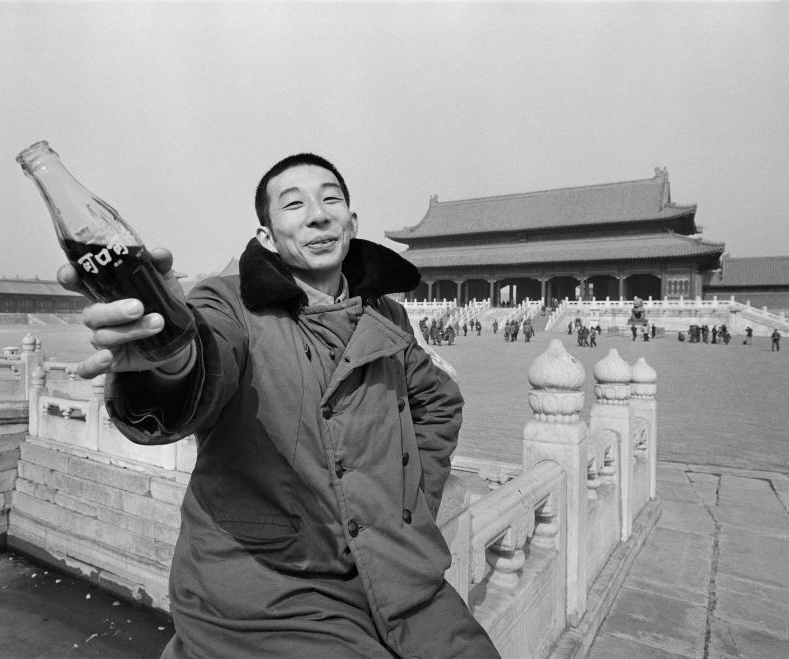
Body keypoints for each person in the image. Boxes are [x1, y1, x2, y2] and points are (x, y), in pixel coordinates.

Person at [59, 153, 499, 658]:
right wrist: (168, 358)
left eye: (331, 199)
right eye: (294, 204)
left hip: (401, 577)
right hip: (269, 586)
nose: (317, 214)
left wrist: (407, 505)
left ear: (352, 224)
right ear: (266, 236)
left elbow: (438, 401)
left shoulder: (387, 313)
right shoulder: (230, 304)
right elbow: (204, 358)